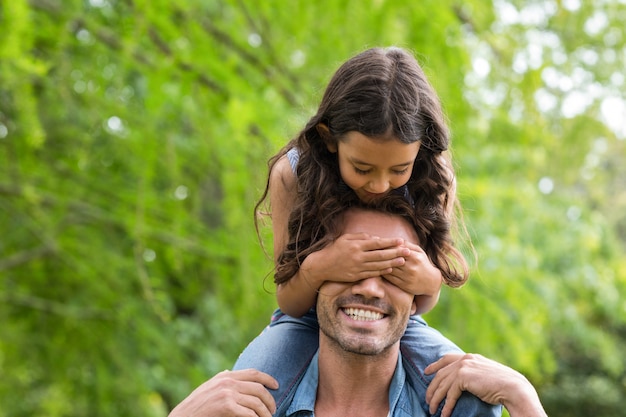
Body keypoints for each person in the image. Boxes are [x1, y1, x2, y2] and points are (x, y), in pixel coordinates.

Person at [235, 46, 474, 413]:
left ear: (420, 149)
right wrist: (322, 267)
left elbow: (421, 304)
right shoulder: (293, 175)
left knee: (463, 388)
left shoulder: (435, 178)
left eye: (398, 170)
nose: (380, 184)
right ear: (330, 139)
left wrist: (426, 280)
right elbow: (289, 300)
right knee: (249, 389)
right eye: (362, 168)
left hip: (394, 320)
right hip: (302, 318)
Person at [170, 206, 546, 416]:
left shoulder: (454, 407)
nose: (368, 288)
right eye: (349, 268)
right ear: (313, 277)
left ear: (417, 295)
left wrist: (523, 398)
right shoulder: (243, 406)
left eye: (393, 273)